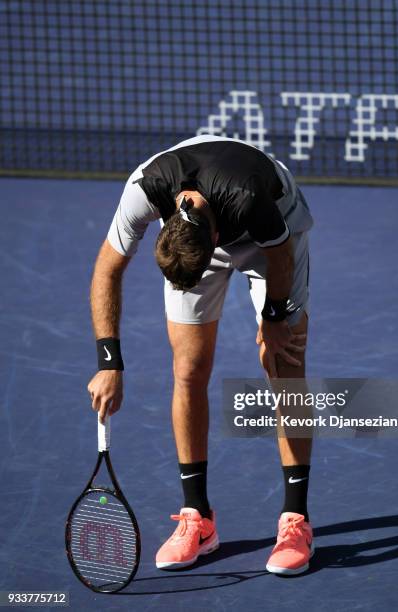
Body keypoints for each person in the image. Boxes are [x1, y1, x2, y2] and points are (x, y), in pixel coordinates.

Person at [87, 134, 315, 575]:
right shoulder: (143, 190)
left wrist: (274, 317)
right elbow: (106, 269)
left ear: (214, 237)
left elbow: (281, 254)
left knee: (284, 365)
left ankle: (297, 520)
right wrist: (109, 362)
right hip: (202, 228)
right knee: (188, 368)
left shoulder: (251, 200)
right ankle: (198, 517)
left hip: (272, 228)